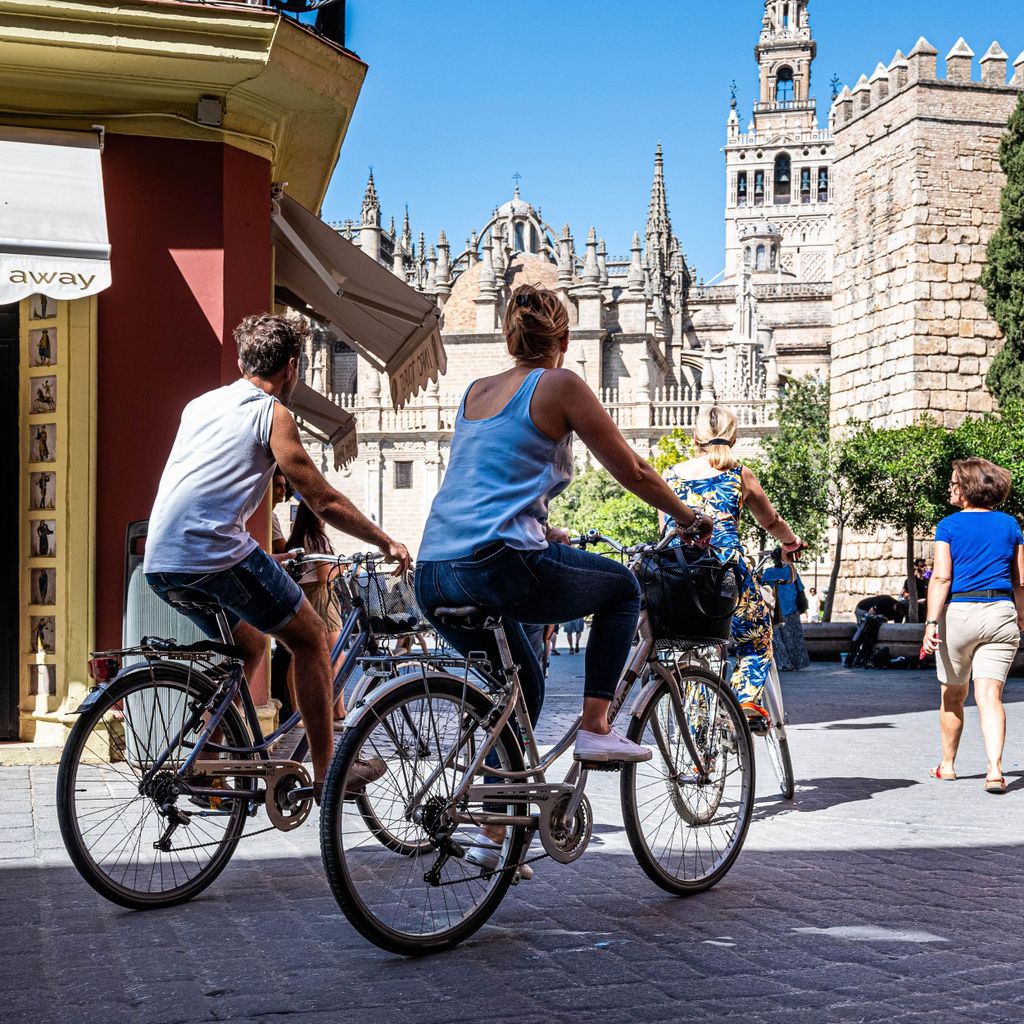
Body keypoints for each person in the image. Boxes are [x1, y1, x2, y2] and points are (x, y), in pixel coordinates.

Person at [414, 283, 713, 874]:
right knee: (622, 589)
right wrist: (686, 515)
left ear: (507, 337)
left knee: (517, 687)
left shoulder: (474, 391)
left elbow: (484, 486)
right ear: (565, 340)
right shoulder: (562, 385)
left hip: (434, 572)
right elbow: (630, 467)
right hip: (494, 563)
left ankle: (493, 834)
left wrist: (542, 528)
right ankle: (597, 727)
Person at [144, 313, 410, 798]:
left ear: (244, 359)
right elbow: (323, 500)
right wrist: (385, 541)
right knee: (310, 640)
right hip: (214, 553)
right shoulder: (271, 413)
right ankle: (331, 772)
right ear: (292, 367)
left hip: (162, 560)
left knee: (249, 646)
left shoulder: (199, 405)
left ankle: (204, 757)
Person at [661, 405, 803, 727]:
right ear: (733, 438)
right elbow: (771, 521)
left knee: (698, 654)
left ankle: (698, 750)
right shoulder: (739, 474)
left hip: (679, 577)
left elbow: (665, 531)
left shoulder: (670, 475)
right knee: (757, 639)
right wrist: (791, 541)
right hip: (726, 575)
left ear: (695, 438)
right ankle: (743, 702)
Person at [922, 458, 1024, 793]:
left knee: (952, 694)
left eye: (953, 482)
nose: (950, 487)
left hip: (961, 613)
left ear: (966, 488)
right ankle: (995, 770)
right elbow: (1020, 581)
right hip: (1000, 611)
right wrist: (1021, 616)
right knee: (989, 695)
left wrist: (931, 623)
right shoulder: (1011, 525)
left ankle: (948, 766)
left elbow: (941, 577)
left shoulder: (948, 526)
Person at [286, 499, 347, 728]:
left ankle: (296, 712)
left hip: (300, 594)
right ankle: (337, 711)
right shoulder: (317, 538)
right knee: (337, 656)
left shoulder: (296, 539)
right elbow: (325, 576)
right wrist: (344, 566)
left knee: (298, 656)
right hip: (320, 596)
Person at [762, 548, 810, 671]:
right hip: (791, 610)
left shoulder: (767, 573)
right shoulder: (792, 571)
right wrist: (803, 607)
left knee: (777, 640)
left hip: (773, 611)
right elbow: (800, 590)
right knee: (793, 638)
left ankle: (784, 663)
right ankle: (796, 663)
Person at [271, 469, 291, 555]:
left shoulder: (271, 515)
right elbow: (284, 549)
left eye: (284, 486)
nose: (284, 490)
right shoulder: (269, 517)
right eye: (278, 486)